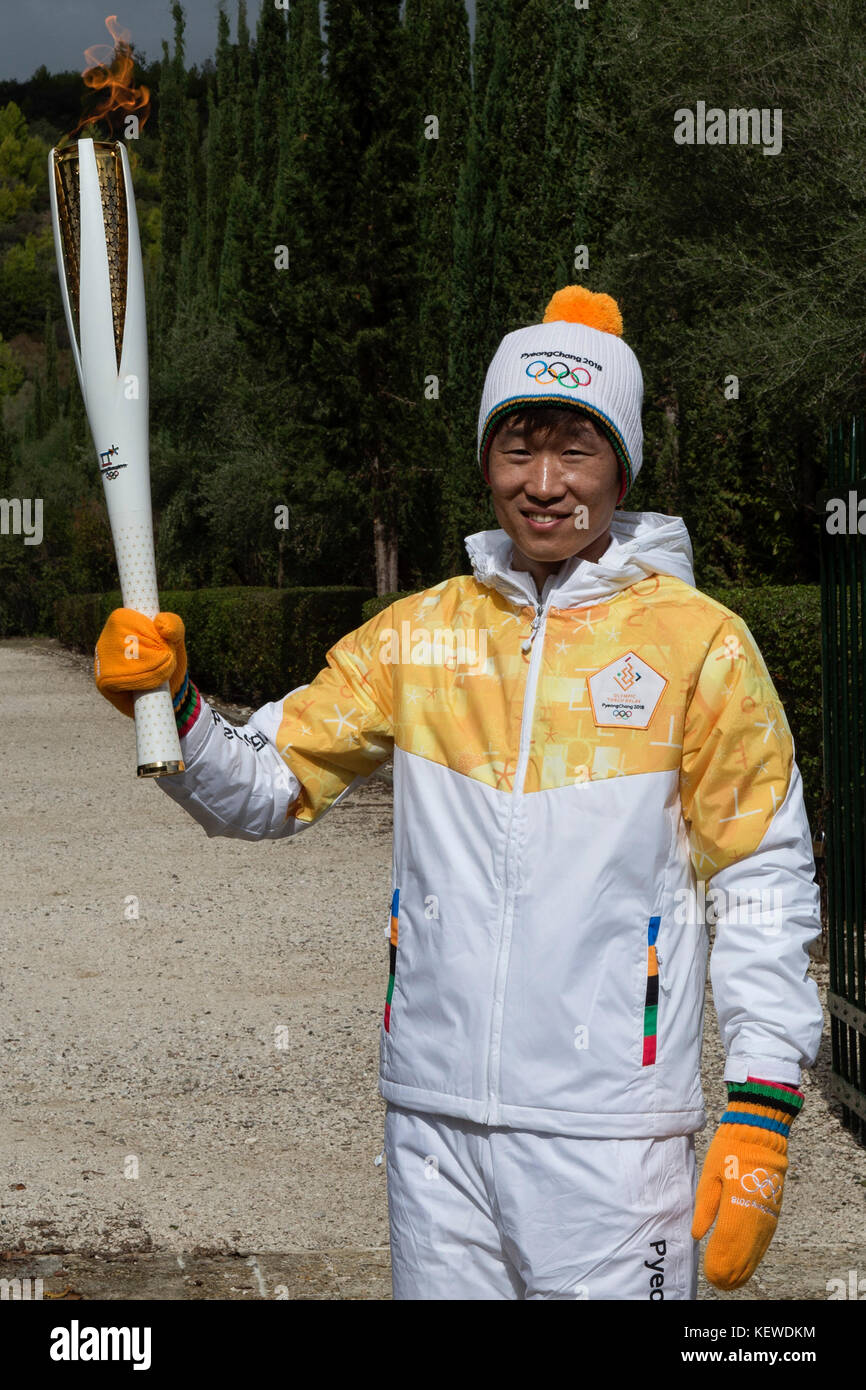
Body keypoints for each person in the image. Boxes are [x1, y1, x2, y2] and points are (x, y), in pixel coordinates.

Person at [94, 284, 823, 1300]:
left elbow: (759, 879)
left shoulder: (697, 643)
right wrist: (174, 701)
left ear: (620, 464)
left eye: (576, 446)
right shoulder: (418, 635)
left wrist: (761, 1104)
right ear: (484, 461)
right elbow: (265, 786)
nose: (543, 481)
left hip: (610, 1133)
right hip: (432, 1125)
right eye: (516, 446)